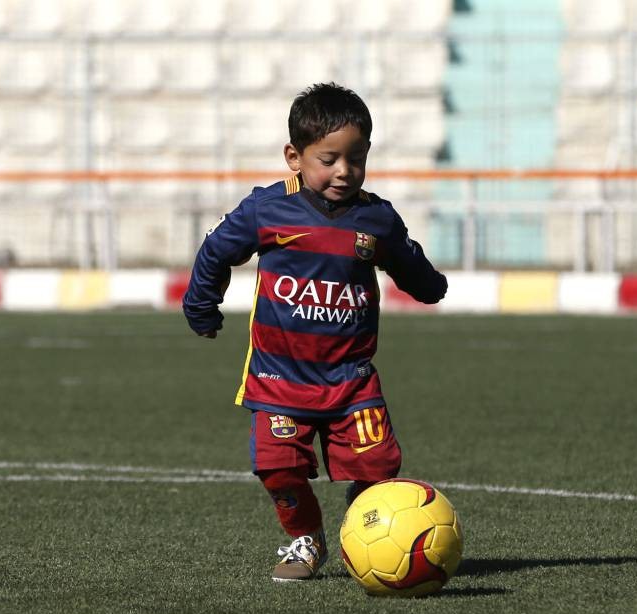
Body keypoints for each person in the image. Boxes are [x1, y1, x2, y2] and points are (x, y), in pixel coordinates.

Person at [183, 83, 447, 582]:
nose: (344, 171)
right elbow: (217, 249)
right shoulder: (267, 210)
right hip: (279, 378)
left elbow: (410, 263)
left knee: (379, 471)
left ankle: (366, 523)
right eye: (329, 159)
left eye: (356, 159)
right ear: (294, 157)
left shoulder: (377, 219)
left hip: (351, 379)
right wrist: (201, 305)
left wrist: (430, 286)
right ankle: (305, 538)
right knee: (276, 467)